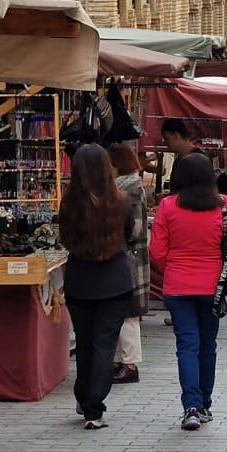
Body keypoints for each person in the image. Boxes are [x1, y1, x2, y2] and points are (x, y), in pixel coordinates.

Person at [151, 153, 227, 431]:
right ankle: (205, 403)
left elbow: (156, 252)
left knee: (187, 345)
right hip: (213, 287)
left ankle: (190, 406)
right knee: (208, 344)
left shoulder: (167, 206)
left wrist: (175, 265)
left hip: (177, 285)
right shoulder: (224, 206)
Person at [60, 144, 136, 430]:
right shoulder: (122, 201)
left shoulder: (69, 203)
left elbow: (65, 239)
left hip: (80, 280)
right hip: (114, 281)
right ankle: (95, 405)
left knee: (85, 343)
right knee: (104, 343)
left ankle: (85, 397)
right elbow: (130, 234)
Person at [108, 142, 150, 385]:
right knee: (124, 312)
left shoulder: (130, 191)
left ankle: (130, 363)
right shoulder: (131, 187)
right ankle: (122, 360)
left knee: (128, 314)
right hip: (131, 257)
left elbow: (134, 229)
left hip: (129, 258)